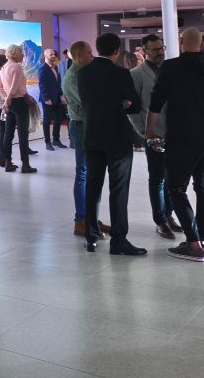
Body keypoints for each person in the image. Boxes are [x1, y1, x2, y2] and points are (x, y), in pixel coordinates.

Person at [146, 28, 204, 263]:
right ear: (202, 43)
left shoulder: (171, 67)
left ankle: (194, 243)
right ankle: (200, 238)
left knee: (176, 187)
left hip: (181, 137)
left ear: (181, 41)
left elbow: (157, 100)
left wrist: (149, 129)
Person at [77, 33, 145, 255]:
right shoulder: (121, 73)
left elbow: (88, 102)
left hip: (92, 136)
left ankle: (91, 236)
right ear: (117, 51)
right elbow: (135, 105)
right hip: (117, 137)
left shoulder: (83, 72)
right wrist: (123, 103)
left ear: (97, 49)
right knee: (118, 189)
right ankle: (119, 240)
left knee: (93, 186)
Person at [129, 34, 181, 239]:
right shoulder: (136, 74)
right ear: (144, 51)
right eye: (155, 49)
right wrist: (143, 131)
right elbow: (131, 108)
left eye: (162, 48)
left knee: (172, 178)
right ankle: (160, 220)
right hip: (154, 133)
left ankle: (169, 215)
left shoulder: (172, 70)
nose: (160, 52)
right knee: (158, 178)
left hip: (175, 132)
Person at [62, 40, 109, 238]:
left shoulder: (86, 73)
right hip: (81, 126)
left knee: (93, 173)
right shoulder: (73, 77)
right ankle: (81, 220)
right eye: (89, 52)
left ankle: (91, 218)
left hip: (91, 124)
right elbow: (88, 102)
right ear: (79, 56)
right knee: (83, 172)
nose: (92, 55)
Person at [0, 44, 37, 174]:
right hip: (19, 103)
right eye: (21, 52)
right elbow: (13, 88)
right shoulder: (17, 67)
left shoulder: (4, 67)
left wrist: (6, 100)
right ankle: (25, 165)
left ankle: (8, 163)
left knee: (8, 134)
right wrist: (7, 100)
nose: (23, 54)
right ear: (15, 53)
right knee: (23, 134)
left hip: (10, 104)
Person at [39, 49, 67, 151]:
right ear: (45, 56)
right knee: (47, 121)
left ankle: (56, 140)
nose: (53, 56)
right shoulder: (43, 68)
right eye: (51, 54)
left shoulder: (55, 67)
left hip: (57, 98)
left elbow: (57, 84)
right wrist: (46, 98)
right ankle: (47, 142)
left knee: (58, 119)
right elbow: (42, 85)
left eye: (54, 54)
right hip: (47, 99)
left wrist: (61, 95)